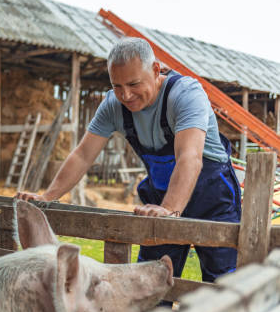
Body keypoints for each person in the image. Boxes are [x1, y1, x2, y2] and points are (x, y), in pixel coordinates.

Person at [16, 37, 241, 282]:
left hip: (212, 199)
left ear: (156, 70)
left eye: (134, 84)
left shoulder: (186, 94)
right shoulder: (113, 105)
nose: (126, 94)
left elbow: (190, 157)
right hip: (161, 197)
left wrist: (168, 210)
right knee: (151, 280)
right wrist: (48, 196)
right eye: (117, 86)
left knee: (224, 282)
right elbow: (82, 155)